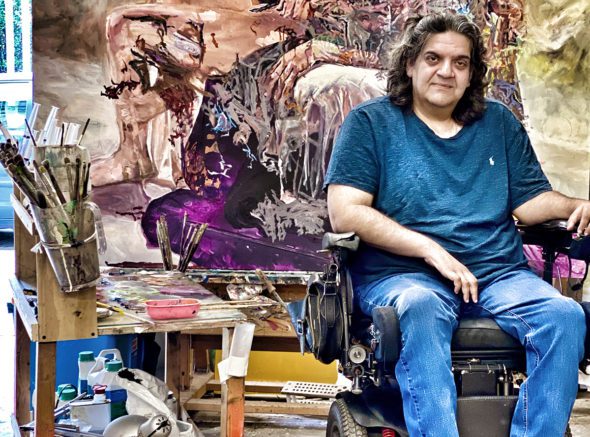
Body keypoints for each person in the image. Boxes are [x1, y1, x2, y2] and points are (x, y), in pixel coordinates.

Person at [324, 12, 589, 437]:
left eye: (460, 63)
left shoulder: (498, 123)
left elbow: (530, 202)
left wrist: (576, 205)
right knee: (421, 305)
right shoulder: (370, 124)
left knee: (564, 316)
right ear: (410, 63)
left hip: (496, 274)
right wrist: (432, 251)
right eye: (433, 58)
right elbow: (346, 211)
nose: (446, 71)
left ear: (471, 74)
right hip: (403, 275)